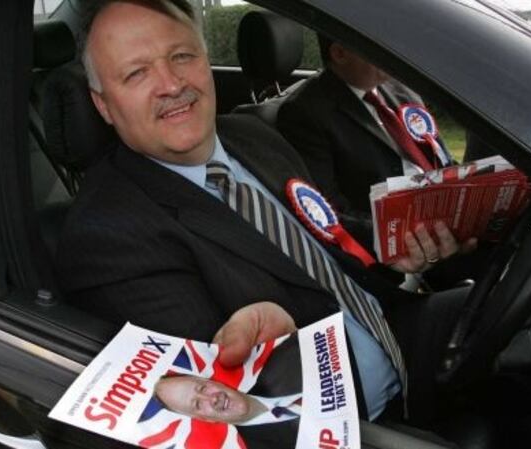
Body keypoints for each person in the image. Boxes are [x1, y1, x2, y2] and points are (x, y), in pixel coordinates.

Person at [55, 0, 470, 424]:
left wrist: (396, 241)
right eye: (136, 73)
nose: (170, 83)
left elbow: (327, 232)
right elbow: (223, 403)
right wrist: (267, 347)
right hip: (352, 419)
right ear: (103, 105)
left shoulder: (252, 135)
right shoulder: (107, 236)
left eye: (181, 56)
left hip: (398, 328)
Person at [277, 36, 456, 248]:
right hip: (400, 244)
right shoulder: (306, 112)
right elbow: (328, 210)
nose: (392, 49)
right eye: (378, 42)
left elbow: (441, 159)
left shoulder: (401, 89)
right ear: (340, 54)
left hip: (447, 218)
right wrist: (404, 233)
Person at [154, 374, 302, 425]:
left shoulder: (285, 353)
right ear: (203, 419)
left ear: (212, 381)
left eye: (202, 388)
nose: (211, 399)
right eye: (198, 404)